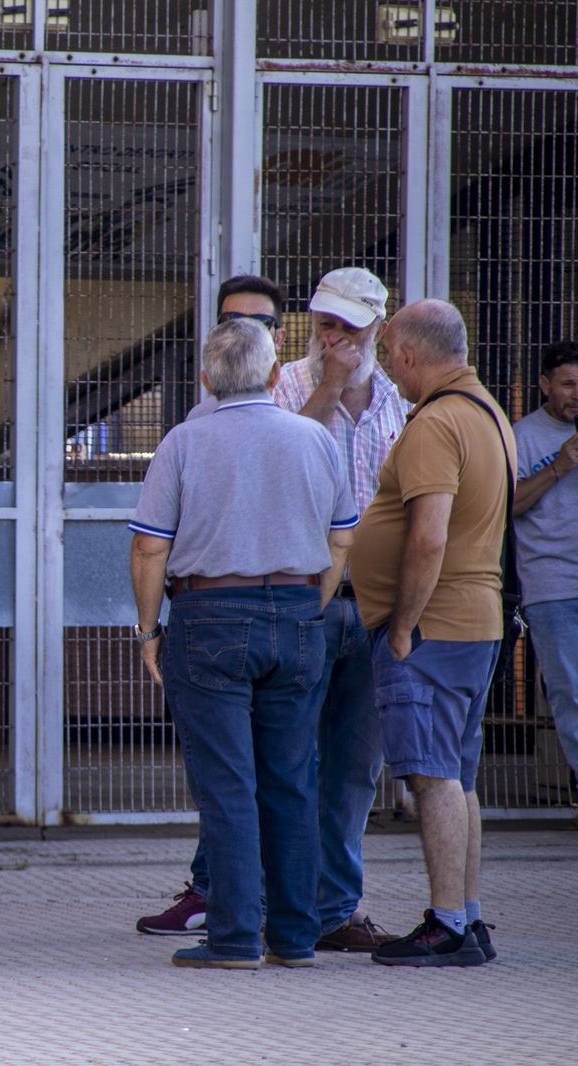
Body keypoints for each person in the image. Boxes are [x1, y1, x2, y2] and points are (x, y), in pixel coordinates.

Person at [141, 268, 409, 954]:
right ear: (268, 376)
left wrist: (148, 631)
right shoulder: (311, 435)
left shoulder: (183, 442)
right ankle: (294, 935)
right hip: (298, 615)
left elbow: (149, 550)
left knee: (230, 785)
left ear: (206, 381)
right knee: (292, 780)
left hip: (210, 616)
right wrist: (309, 604)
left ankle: (232, 937)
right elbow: (340, 535)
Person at [349, 298, 513, 967]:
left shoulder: (438, 424)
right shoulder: (488, 414)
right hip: (475, 620)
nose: (390, 367)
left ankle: (445, 923)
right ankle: (468, 916)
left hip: (432, 629)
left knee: (431, 777)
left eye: (390, 354)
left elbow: (428, 536)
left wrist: (402, 628)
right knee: (460, 776)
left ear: (410, 354)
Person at [511, 341, 578, 783]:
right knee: (571, 693)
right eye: (569, 384)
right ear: (544, 385)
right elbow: (505, 506)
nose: (577, 393)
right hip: (551, 584)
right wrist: (557, 466)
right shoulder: (520, 436)